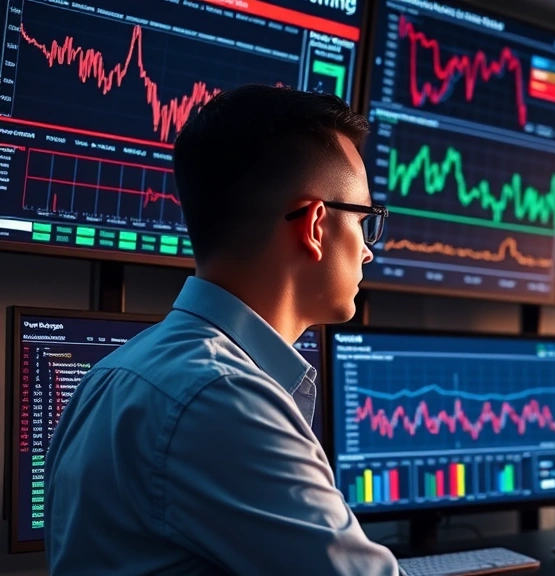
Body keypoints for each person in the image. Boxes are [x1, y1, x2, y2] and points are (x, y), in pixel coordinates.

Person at [43, 85, 399, 575]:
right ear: (315, 226)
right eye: (364, 220)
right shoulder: (223, 398)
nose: (368, 250)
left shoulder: (109, 375)